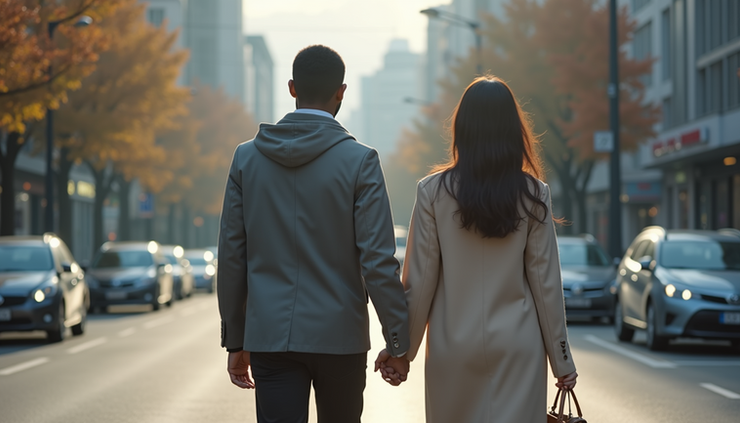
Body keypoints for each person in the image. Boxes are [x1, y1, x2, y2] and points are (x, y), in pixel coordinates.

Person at [217, 45, 410, 423]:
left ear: (292, 88)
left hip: (271, 336)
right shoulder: (361, 161)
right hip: (341, 336)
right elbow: (376, 261)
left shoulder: (246, 159)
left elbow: (232, 255)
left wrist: (236, 340)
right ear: (341, 91)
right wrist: (397, 341)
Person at [376, 76, 578, 422]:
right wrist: (562, 360)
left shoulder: (432, 192)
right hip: (519, 347)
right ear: (514, 130)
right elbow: (546, 284)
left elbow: (420, 285)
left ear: (462, 128)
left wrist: (401, 353)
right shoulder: (534, 193)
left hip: (451, 347)